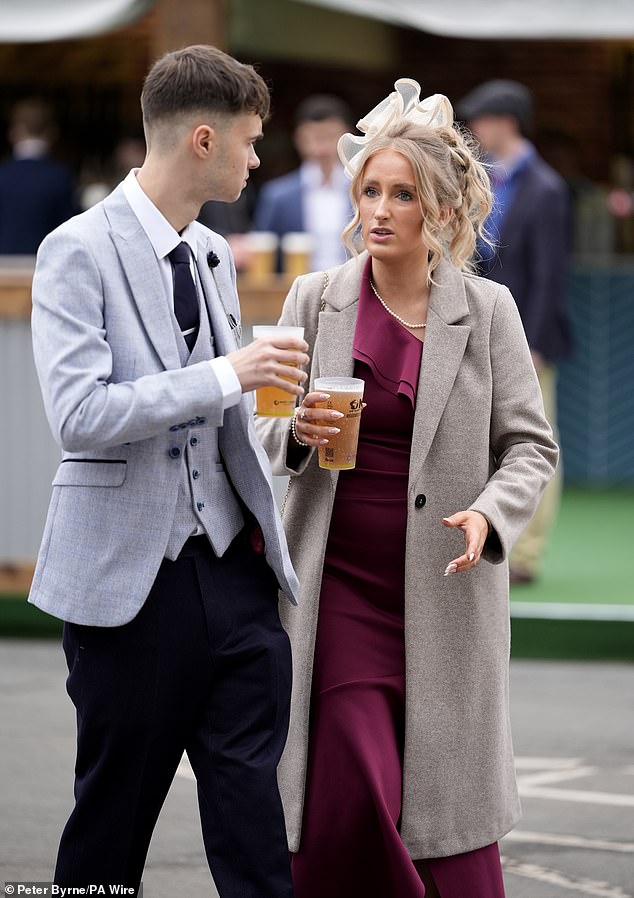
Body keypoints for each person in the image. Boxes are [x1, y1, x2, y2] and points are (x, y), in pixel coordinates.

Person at [256, 79, 558, 898]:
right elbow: (260, 428)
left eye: (404, 194)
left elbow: (530, 446)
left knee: (443, 811)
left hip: (442, 588)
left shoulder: (490, 311)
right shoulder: (314, 302)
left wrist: (490, 516)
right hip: (338, 592)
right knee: (349, 785)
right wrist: (295, 433)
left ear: (445, 212)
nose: (381, 209)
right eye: (371, 191)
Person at [28, 45, 309, 898]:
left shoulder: (216, 255)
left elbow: (222, 426)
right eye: (251, 142)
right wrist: (234, 373)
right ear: (201, 140)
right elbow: (80, 416)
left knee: (253, 822)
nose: (257, 159)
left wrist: (291, 428)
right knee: (112, 822)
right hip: (127, 586)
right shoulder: (75, 250)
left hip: (234, 577)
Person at [456, 79, 571, 584]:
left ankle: (527, 556)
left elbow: (551, 273)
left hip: (530, 336)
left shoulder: (545, 187)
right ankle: (495, 536)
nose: (475, 130)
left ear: (506, 123)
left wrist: (538, 342)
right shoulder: (487, 179)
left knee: (536, 439)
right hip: (485, 329)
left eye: (481, 120)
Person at [253, 93, 353, 270]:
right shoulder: (277, 195)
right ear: (299, 139)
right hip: (296, 289)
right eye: (315, 137)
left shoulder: (364, 189)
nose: (322, 146)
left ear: (347, 137)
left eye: (330, 136)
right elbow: (263, 249)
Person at [0, 98, 77, 254]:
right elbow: (71, 230)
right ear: (52, 133)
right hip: (45, 266)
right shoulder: (60, 177)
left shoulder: (3, 175)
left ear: (13, 132)